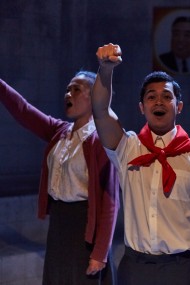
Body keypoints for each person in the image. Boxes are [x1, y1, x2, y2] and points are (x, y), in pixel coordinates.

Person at [92, 43, 190, 285]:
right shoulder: (127, 147)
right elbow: (100, 111)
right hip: (134, 268)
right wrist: (105, 70)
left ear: (179, 106)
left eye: (166, 96)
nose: (158, 102)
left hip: (180, 269)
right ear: (142, 108)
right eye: (151, 97)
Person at [0, 71, 119, 284]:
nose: (68, 94)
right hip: (59, 223)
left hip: (84, 227)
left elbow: (110, 202)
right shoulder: (60, 131)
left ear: (93, 97)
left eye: (76, 89)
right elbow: (23, 111)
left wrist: (100, 253)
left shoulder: (101, 140)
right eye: (67, 89)